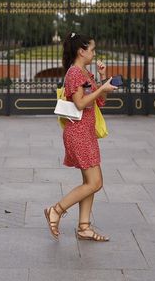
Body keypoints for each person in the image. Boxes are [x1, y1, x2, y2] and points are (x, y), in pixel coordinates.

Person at [44, 33, 117, 242]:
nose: (94, 53)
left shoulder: (85, 72)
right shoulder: (75, 73)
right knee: (95, 182)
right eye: (92, 49)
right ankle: (56, 210)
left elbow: (99, 102)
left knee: (89, 181)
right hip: (78, 133)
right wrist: (101, 88)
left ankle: (84, 227)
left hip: (86, 132)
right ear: (81, 51)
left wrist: (103, 79)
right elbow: (80, 103)